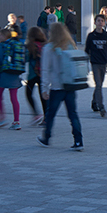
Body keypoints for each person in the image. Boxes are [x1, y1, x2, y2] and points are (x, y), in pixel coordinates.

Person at [37, 22, 83, 150]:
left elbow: (45, 70)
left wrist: (44, 89)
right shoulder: (70, 46)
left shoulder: (49, 48)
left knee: (51, 114)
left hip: (57, 87)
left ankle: (46, 138)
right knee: (73, 114)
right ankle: (78, 141)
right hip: (70, 86)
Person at [0, 21, 26, 129]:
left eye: (0, 35)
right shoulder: (16, 45)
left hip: (3, 73)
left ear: (3, 36)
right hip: (15, 73)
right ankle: (16, 121)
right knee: (14, 98)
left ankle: (2, 118)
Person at [84, 15, 107, 116]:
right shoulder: (91, 36)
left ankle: (94, 102)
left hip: (103, 62)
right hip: (94, 62)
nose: (100, 22)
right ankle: (101, 106)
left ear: (104, 23)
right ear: (95, 22)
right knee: (98, 84)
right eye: (98, 21)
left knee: (100, 85)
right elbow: (87, 50)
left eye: (102, 21)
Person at [23, 26, 47, 125]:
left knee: (29, 94)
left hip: (32, 74)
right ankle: (46, 117)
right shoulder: (45, 45)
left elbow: (25, 59)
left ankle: (36, 114)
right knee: (43, 96)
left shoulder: (30, 46)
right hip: (43, 74)